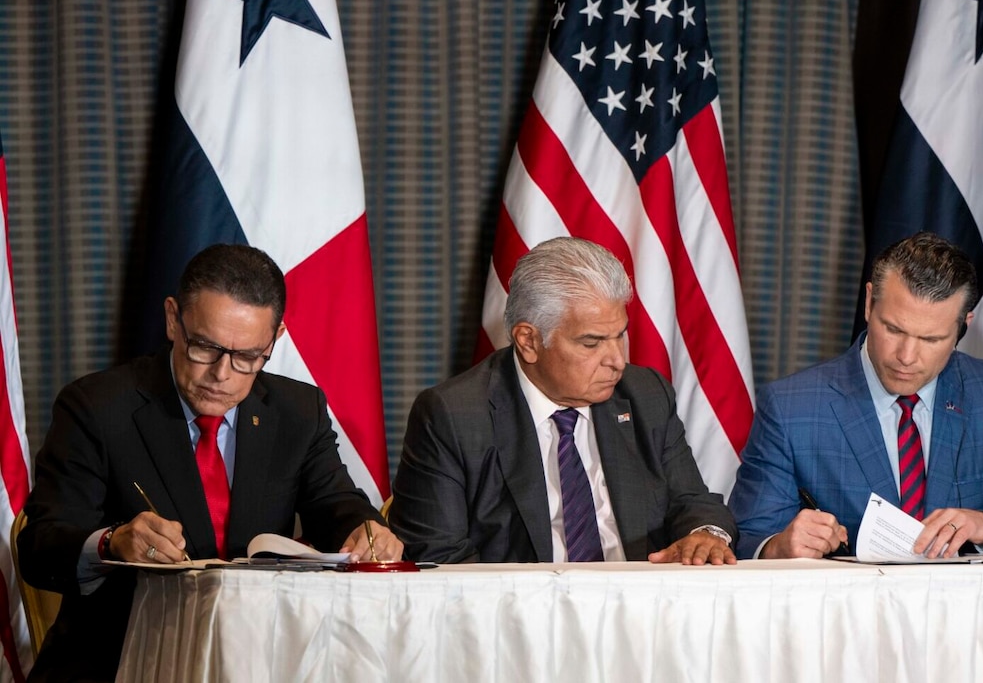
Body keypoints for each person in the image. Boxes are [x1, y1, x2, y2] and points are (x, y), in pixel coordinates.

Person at [18, 244, 402, 681]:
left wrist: (365, 529)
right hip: (121, 660)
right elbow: (39, 547)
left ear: (275, 340)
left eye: (247, 357)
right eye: (204, 347)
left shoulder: (297, 410)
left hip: (260, 661)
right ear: (172, 320)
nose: (222, 375)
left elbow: (336, 503)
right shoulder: (96, 407)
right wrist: (111, 543)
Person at [389, 236, 737, 565]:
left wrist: (705, 534)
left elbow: (690, 500)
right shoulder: (455, 415)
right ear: (528, 341)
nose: (616, 359)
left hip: (637, 610)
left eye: (620, 335)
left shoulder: (645, 394)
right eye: (592, 343)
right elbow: (440, 556)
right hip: (516, 615)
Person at [728, 231, 983, 559]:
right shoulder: (792, 407)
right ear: (869, 304)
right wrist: (779, 545)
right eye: (894, 329)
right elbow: (746, 537)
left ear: (963, 326)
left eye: (931, 340)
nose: (906, 357)